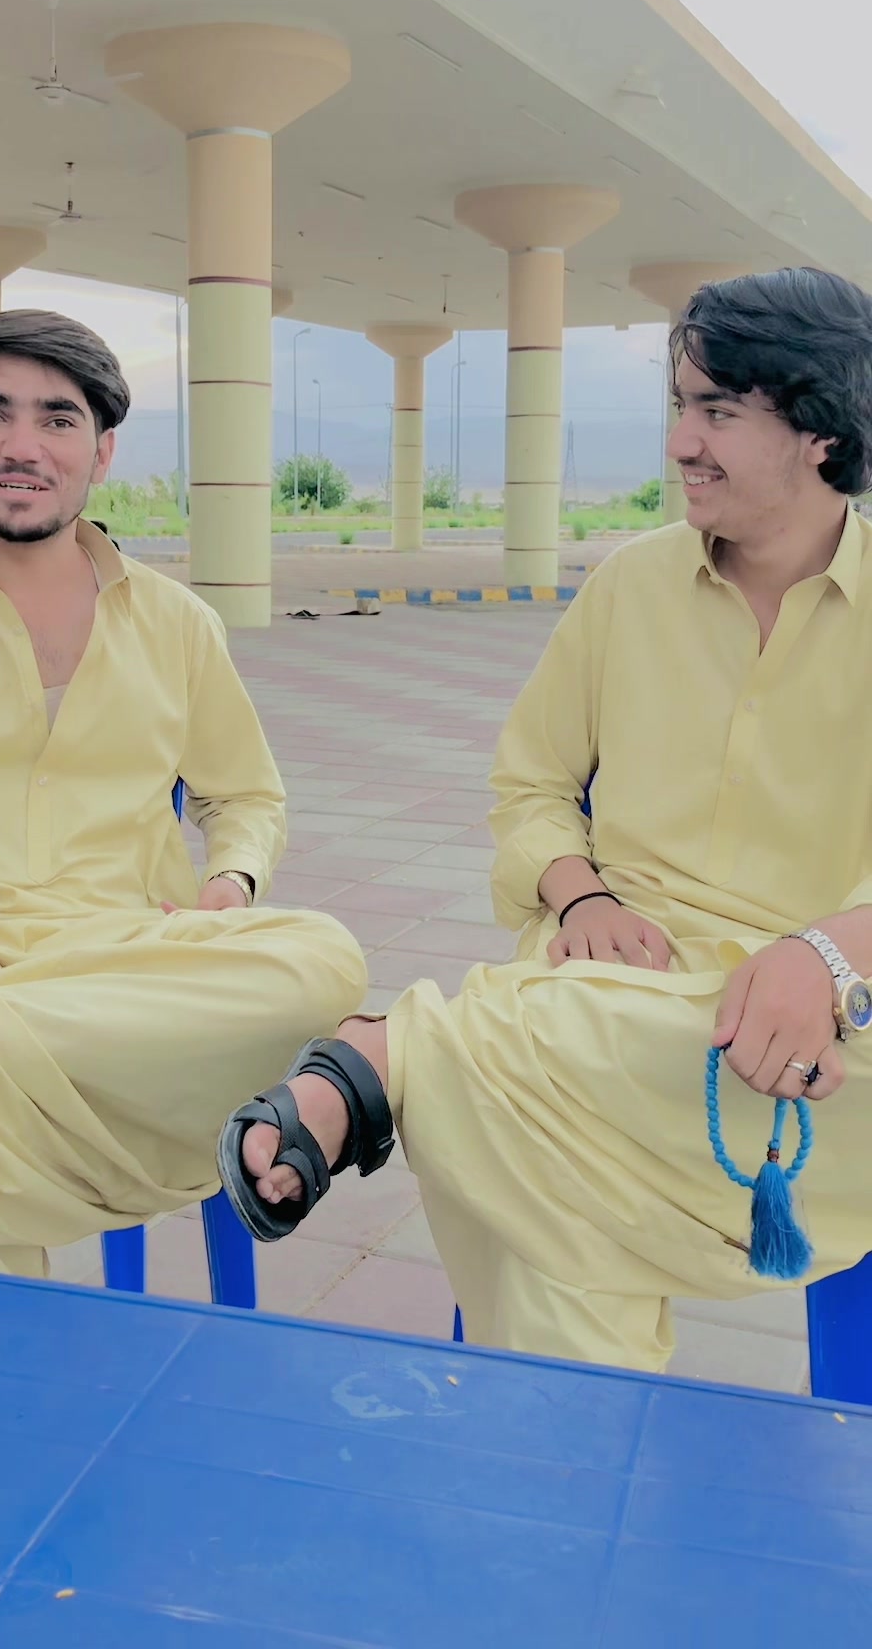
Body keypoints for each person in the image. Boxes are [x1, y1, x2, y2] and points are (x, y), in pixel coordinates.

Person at [218, 267, 872, 1373]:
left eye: (718, 411)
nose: (681, 442)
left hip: (814, 1038)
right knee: (539, 1124)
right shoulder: (630, 588)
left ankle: (389, 1056)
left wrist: (828, 954)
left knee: (500, 1084)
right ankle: (582, 1449)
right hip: (606, 986)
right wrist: (581, 894)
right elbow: (530, 785)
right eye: (680, 405)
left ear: (821, 431)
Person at [0, 309, 365, 1274]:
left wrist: (228, 888)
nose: (22, 446)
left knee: (326, 960)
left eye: (57, 419)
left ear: (101, 452)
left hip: (115, 978)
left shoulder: (177, 624)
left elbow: (247, 798)